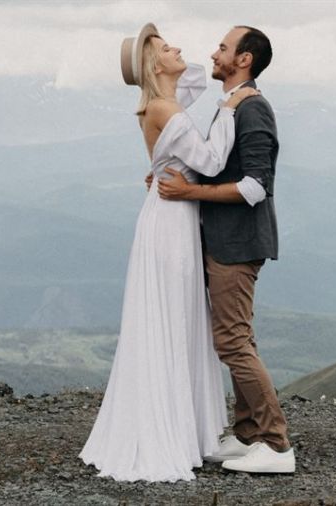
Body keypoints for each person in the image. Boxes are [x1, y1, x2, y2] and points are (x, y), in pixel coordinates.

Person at [78, 23, 258, 482]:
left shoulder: (164, 102)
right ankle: (168, 429)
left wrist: (162, 65)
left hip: (172, 215)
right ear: (154, 64)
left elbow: (193, 76)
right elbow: (213, 162)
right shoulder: (162, 106)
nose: (179, 47)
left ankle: (183, 426)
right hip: (171, 221)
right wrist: (230, 103)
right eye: (165, 47)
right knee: (173, 317)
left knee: (178, 317)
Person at [156, 25, 294, 474]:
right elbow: (218, 167)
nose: (213, 53)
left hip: (238, 244)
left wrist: (187, 195)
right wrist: (179, 176)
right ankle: (248, 435)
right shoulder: (232, 105)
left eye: (222, 48)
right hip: (225, 239)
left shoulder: (253, 110)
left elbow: (256, 186)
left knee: (232, 342)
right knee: (238, 337)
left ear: (244, 60)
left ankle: (276, 446)